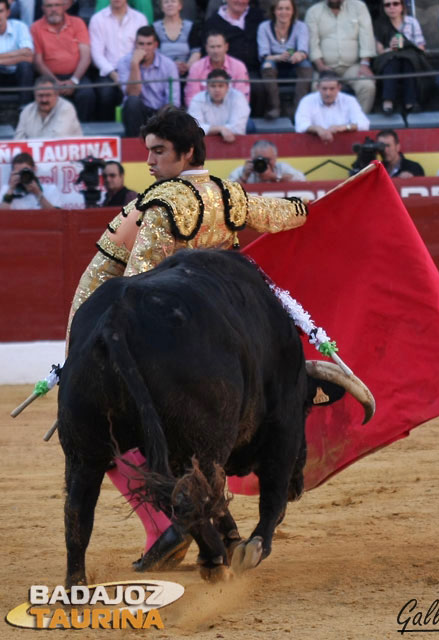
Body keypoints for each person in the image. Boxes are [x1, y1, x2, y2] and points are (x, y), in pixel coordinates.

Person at [67, 106, 308, 571]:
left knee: (107, 433)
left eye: (158, 152)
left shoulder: (160, 205)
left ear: (188, 151)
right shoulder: (228, 193)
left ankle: (166, 526)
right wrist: (312, 207)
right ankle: (224, 528)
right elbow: (281, 214)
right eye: (148, 152)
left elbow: (132, 287)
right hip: (217, 328)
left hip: (136, 326)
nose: (150, 163)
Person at [305, 0, 376, 114]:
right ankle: (326, 125)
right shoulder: (313, 12)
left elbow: (366, 37)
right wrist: (321, 66)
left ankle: (359, 124)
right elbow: (313, 44)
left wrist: (365, 64)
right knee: (317, 88)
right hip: (325, 67)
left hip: (352, 67)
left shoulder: (359, 7)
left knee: (367, 86)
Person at [31, 0, 96, 121]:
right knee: (47, 95)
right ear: (42, 8)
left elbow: (86, 57)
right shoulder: (36, 27)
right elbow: (38, 62)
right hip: (49, 77)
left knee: (87, 94)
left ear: (64, 6)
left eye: (57, 5)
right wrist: (54, 83)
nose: (53, 9)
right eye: (49, 6)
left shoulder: (77, 23)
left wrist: (74, 80)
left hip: (77, 75)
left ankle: (84, 134)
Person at [203, 0, 265, 116]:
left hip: (252, 69)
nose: (240, 1)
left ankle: (251, 125)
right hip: (225, 69)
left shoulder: (257, 16)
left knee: (258, 88)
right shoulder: (213, 22)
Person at [89, 0, 148, 121]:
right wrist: (113, 73)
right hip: (108, 71)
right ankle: (106, 135)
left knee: (139, 97)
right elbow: (96, 53)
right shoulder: (97, 19)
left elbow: (143, 48)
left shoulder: (140, 18)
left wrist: (132, 69)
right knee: (106, 96)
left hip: (134, 68)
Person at [117, 25, 180, 137]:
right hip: (137, 112)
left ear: (155, 45)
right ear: (135, 45)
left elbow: (173, 100)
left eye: (149, 44)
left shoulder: (168, 65)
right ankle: (134, 146)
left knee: (172, 110)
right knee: (132, 102)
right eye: (141, 44)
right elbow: (133, 93)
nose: (145, 48)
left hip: (160, 112)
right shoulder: (124, 62)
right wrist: (134, 65)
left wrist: (161, 115)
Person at [257, 0, 312, 119]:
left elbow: (303, 50)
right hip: (273, 59)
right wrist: (278, 57)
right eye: (280, 9)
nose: (284, 12)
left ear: (293, 11)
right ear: (274, 11)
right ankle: (274, 107)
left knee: (306, 65)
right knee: (267, 65)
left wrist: (298, 55)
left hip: (293, 60)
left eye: (287, 9)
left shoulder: (300, 26)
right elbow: (264, 55)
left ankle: (300, 109)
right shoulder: (264, 27)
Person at [372, 0, 428, 114]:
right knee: (392, 60)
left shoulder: (412, 22)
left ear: (402, 6)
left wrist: (405, 45)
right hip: (389, 60)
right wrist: (391, 49)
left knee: (408, 60)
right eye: (387, 5)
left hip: (411, 60)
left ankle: (410, 102)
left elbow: (421, 48)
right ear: (383, 8)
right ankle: (388, 101)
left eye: (395, 3)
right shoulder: (378, 24)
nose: (392, 7)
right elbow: (379, 52)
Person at [294, 71, 370, 141]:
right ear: (318, 87)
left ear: (339, 88)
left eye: (332, 89)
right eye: (324, 89)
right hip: (313, 145)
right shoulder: (307, 100)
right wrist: (316, 129)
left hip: (343, 144)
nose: (328, 93)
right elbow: (300, 125)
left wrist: (343, 127)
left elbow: (364, 124)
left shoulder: (349, 100)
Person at [184, 30, 250, 107]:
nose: (216, 51)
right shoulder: (196, 67)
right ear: (206, 48)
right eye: (212, 47)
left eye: (219, 46)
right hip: (203, 113)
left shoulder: (239, 67)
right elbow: (191, 99)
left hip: (232, 113)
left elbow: (242, 99)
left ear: (226, 47)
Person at [187, 68, 250, 141]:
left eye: (220, 86)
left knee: (249, 125)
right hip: (206, 140)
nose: (217, 90)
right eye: (213, 86)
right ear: (207, 87)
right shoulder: (197, 99)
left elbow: (238, 129)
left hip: (232, 139)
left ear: (227, 87)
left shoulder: (238, 97)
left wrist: (211, 130)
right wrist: (220, 129)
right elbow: (195, 128)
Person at [14, 75, 83, 139]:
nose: (44, 100)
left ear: (56, 95)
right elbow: (18, 140)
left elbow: (57, 139)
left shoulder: (66, 109)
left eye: (48, 95)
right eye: (40, 95)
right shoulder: (27, 111)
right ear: (34, 95)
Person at [153, 0, 201, 78]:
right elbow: (154, 53)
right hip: (162, 74)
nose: (170, 4)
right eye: (166, 2)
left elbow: (196, 52)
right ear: (161, 7)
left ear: (180, 6)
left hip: (187, 74)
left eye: (173, 1)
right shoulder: (155, 28)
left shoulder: (191, 27)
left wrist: (187, 66)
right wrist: (171, 67)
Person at [0, 0, 34, 107]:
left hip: (17, 74)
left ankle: (25, 107)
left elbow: (29, 56)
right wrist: (18, 54)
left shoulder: (20, 27)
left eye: (0, 11)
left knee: (25, 66)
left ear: (8, 13)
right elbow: (24, 54)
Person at [228, 138, 306, 183]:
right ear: (252, 158)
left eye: (267, 159)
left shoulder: (281, 168)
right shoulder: (243, 171)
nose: (263, 163)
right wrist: (244, 177)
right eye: (259, 159)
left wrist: (275, 177)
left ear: (275, 158)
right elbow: (227, 190)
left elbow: (302, 179)